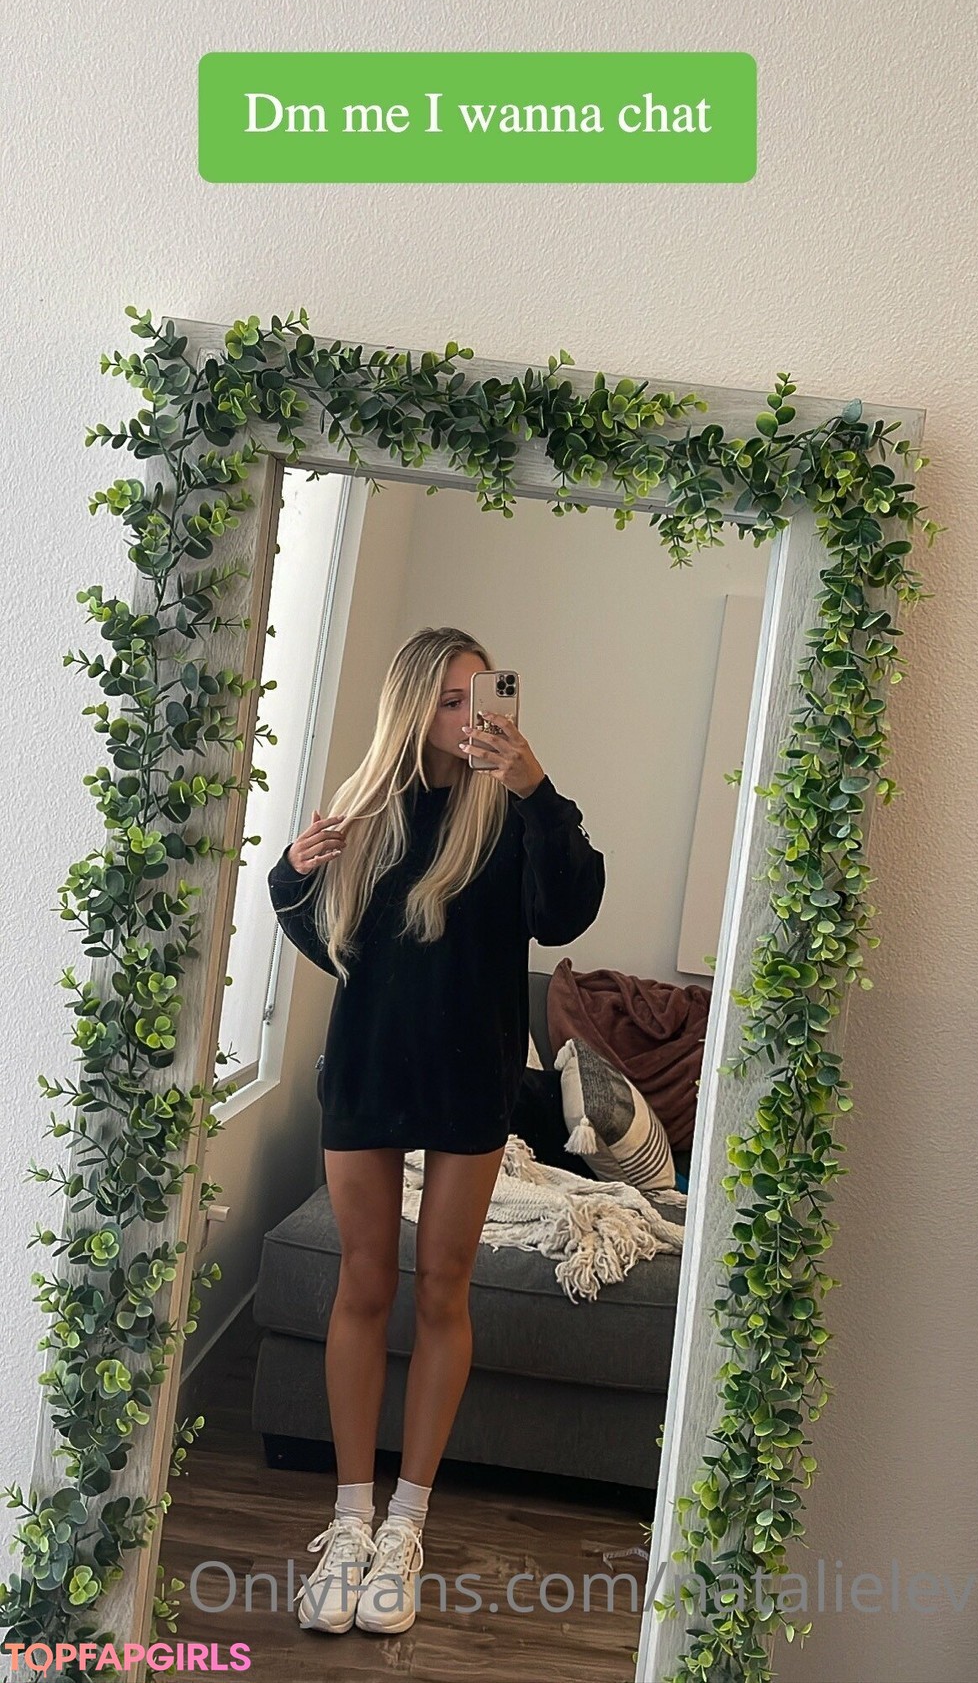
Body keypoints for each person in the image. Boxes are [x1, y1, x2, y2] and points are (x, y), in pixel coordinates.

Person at [265, 625, 606, 1636]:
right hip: (368, 1069)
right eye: (451, 699)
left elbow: (566, 913)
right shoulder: (366, 810)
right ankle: (350, 1520)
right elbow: (333, 940)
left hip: (470, 1079)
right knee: (364, 1283)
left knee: (442, 1290)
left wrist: (537, 785)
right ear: (414, 706)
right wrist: (291, 874)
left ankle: (405, 1524)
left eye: (482, 695)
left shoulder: (511, 812)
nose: (471, 716)